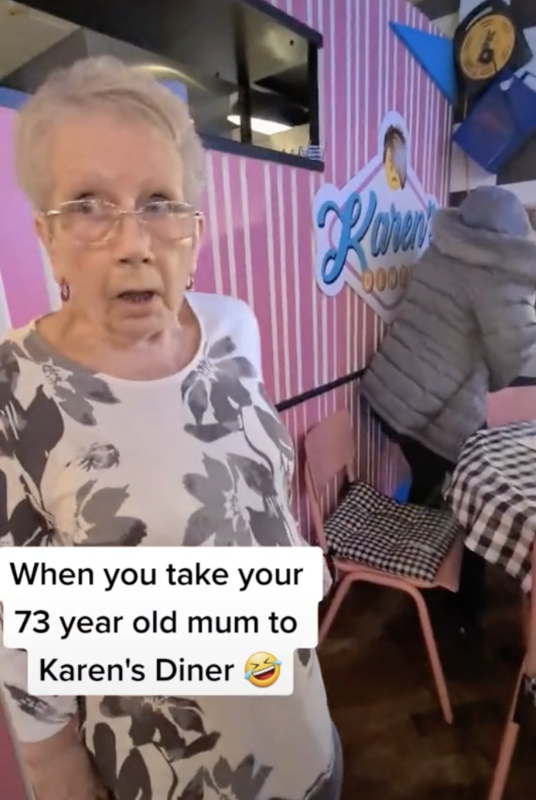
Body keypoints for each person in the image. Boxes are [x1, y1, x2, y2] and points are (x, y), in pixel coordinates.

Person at [0, 57, 341, 800]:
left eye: (159, 202)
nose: (133, 242)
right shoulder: (14, 388)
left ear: (194, 230)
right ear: (47, 236)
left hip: (308, 741)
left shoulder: (233, 327)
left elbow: (260, 502)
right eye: (88, 205)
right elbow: (30, 656)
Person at [360, 186, 536, 623]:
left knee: (431, 487)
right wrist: (490, 377)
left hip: (394, 393)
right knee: (473, 498)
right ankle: (460, 609)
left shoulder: (440, 253)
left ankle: (412, 580)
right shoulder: (497, 277)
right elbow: (515, 354)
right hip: (439, 407)